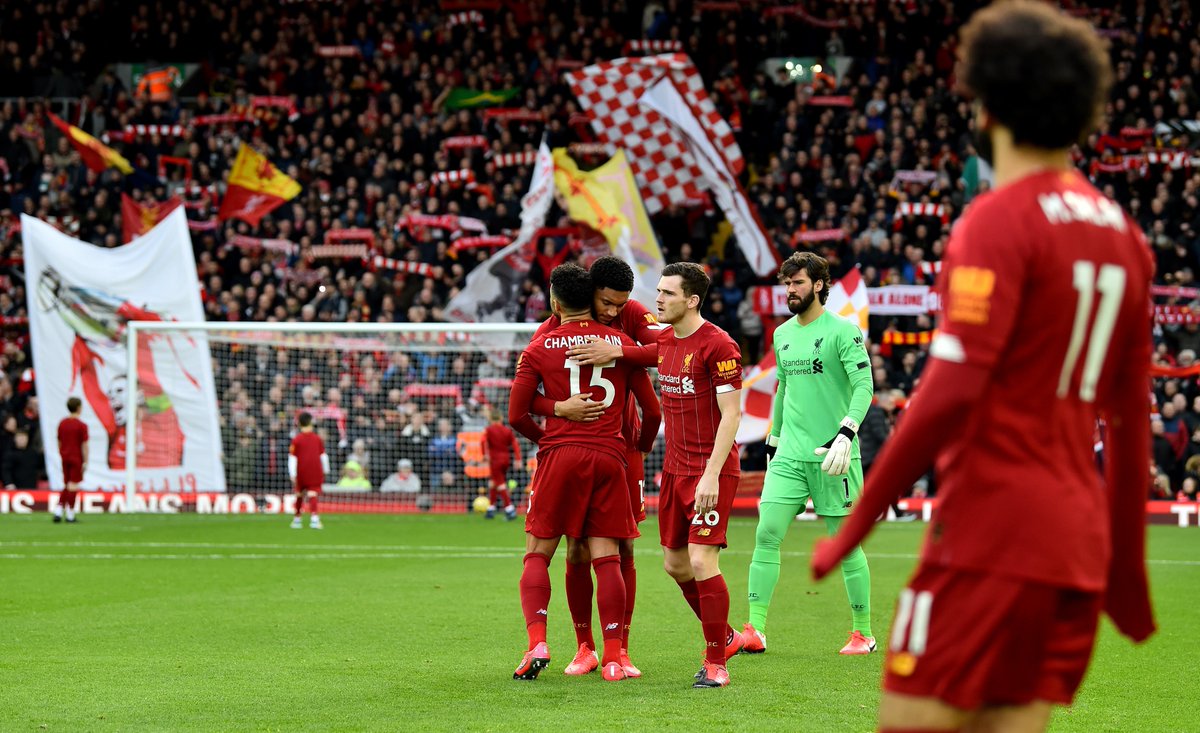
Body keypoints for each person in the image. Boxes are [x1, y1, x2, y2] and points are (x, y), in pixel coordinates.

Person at [810, 3, 1156, 731]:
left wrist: (855, 525)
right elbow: (1130, 419)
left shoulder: (996, 221)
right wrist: (1126, 566)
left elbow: (949, 394)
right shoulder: (1124, 236)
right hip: (1072, 545)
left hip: (991, 534)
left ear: (986, 104)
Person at [507, 263, 660, 682]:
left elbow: (516, 412)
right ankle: (607, 654)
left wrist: (550, 436)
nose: (613, 310)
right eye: (607, 302)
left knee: (539, 552)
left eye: (619, 304)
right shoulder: (619, 340)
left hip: (563, 456)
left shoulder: (542, 345)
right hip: (613, 455)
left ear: (555, 302)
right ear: (590, 295)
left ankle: (539, 642)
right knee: (606, 555)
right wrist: (641, 445)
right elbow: (653, 409)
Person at [740, 252, 876, 656]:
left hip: (835, 455)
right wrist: (774, 436)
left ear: (818, 285)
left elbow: (864, 387)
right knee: (766, 532)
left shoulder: (843, 331)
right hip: (790, 456)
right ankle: (756, 629)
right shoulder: (782, 334)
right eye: (787, 283)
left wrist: (847, 432)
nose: (790, 290)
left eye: (797, 282)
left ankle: (863, 633)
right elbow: (783, 387)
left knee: (844, 543)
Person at [654, 262, 743, 688]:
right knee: (675, 564)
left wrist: (710, 475)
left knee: (701, 560)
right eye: (658, 291)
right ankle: (726, 635)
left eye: (667, 293)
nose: (658, 299)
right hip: (674, 469)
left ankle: (716, 664)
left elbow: (732, 415)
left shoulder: (719, 345)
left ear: (692, 300)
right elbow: (634, 348)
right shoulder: (663, 341)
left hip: (712, 471)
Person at [289, 412, 329, 529]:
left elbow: (292, 458)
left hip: (301, 471)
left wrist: (292, 473)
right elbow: (323, 456)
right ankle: (314, 519)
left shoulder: (296, 439)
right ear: (311, 422)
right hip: (315, 470)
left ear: (299, 424)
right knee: (313, 493)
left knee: (299, 494)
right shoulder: (317, 439)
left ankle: (297, 519)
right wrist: (326, 470)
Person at [482, 408, 522, 520]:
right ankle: (490, 509)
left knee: (500, 483)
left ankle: (510, 509)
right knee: (493, 482)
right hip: (506, 459)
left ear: (490, 419)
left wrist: (484, 454)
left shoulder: (488, 430)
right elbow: (515, 444)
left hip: (495, 460)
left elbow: (482, 441)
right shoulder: (507, 430)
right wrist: (518, 459)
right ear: (501, 418)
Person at [54, 397, 88, 523]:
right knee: (73, 485)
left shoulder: (62, 423)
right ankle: (70, 514)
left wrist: (61, 453)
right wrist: (85, 460)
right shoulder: (81, 425)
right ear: (79, 408)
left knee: (67, 484)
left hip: (65, 457)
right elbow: (84, 445)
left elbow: (59, 441)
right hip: (76, 457)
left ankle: (58, 511)